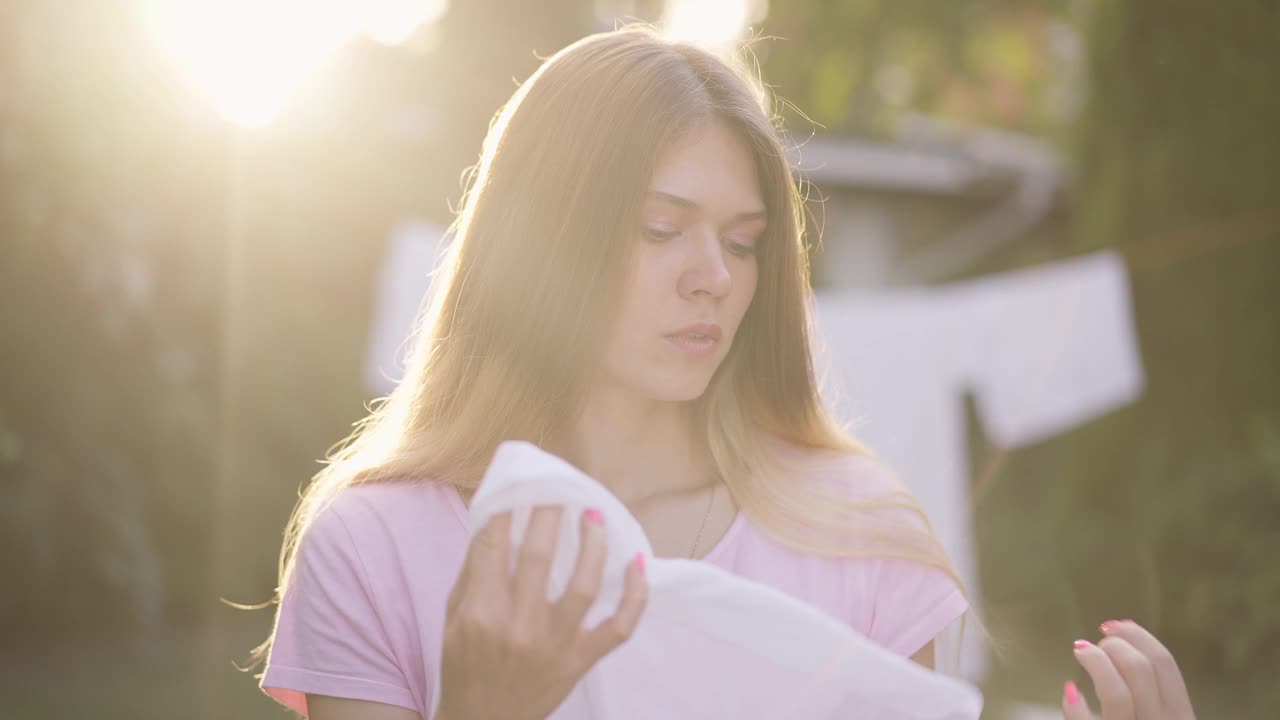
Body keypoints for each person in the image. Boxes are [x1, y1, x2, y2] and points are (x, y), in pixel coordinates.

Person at [251, 26, 1195, 720]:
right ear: (538, 242)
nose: (714, 279)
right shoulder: (372, 542)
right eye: (661, 230)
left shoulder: (861, 531)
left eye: (743, 244)